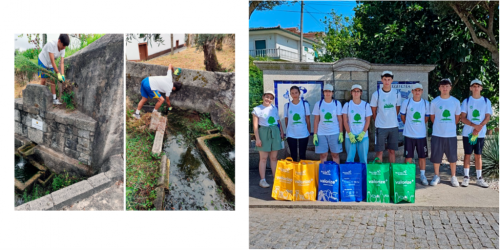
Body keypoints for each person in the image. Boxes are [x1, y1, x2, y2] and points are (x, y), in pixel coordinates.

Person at [429, 78, 461, 186]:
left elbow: (457, 118)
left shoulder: (455, 102)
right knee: (436, 157)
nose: (445, 88)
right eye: (442, 86)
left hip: (451, 134)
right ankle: (436, 176)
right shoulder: (434, 102)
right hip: (437, 134)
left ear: (450, 88)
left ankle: (453, 177)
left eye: (447, 86)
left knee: (452, 157)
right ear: (439, 88)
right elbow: (432, 118)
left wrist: (450, 126)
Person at [460, 79, 492, 188]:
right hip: (468, 133)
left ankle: (479, 178)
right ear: (470, 88)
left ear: (481, 88)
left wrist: (479, 127)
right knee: (467, 155)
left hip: (480, 134)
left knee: (478, 155)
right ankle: (466, 177)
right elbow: (462, 118)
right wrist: (474, 126)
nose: (476, 88)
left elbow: (487, 117)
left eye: (478, 86)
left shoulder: (486, 101)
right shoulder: (466, 101)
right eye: (473, 86)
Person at [400, 83, 430, 185]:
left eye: (419, 90)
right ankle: (408, 175)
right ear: (412, 91)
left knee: (422, 156)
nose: (417, 92)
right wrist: (409, 125)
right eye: (415, 90)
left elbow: (426, 118)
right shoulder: (406, 102)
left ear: (422, 91)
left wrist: (419, 125)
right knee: (408, 157)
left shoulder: (426, 103)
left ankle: (422, 175)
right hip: (409, 135)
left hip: (421, 135)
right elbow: (403, 117)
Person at [253, 90, 284, 188]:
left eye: (271, 98)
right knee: (263, 158)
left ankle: (276, 178)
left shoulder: (274, 108)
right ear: (263, 97)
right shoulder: (257, 109)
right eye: (267, 97)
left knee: (274, 158)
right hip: (264, 132)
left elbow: (278, 120)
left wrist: (281, 131)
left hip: (275, 132)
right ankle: (262, 180)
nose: (268, 99)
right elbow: (255, 126)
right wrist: (257, 139)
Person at [370, 71, 402, 163]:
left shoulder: (396, 93)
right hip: (381, 127)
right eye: (385, 79)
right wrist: (379, 121)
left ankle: (392, 172)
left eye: (389, 79)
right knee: (379, 151)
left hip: (393, 126)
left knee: (392, 151)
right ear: (381, 80)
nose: (387, 81)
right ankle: (379, 174)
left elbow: (397, 109)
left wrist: (391, 118)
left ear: (392, 80)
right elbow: (373, 110)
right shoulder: (376, 94)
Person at [312, 84, 343, 164]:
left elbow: (340, 119)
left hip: (335, 133)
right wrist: (315, 134)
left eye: (329, 91)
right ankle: (323, 173)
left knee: (335, 155)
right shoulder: (318, 104)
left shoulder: (337, 104)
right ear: (323, 92)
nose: (328, 93)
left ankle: (336, 173)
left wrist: (341, 133)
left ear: (332, 93)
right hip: (321, 133)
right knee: (323, 155)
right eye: (326, 91)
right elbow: (316, 120)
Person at [342, 84, 372, 164]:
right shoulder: (347, 105)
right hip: (350, 136)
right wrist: (349, 134)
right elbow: (345, 121)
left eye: (358, 91)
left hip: (363, 136)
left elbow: (368, 120)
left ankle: (363, 175)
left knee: (363, 159)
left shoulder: (366, 105)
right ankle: (349, 175)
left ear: (361, 93)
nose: (356, 93)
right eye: (354, 91)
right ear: (351, 93)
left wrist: (363, 133)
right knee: (349, 158)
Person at [38, 34, 70, 105]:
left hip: (50, 63)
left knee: (52, 79)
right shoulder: (51, 44)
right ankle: (40, 97)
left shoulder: (63, 49)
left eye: (65, 46)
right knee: (43, 80)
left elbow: (62, 62)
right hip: (43, 61)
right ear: (59, 41)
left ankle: (54, 99)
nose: (64, 48)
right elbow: (53, 61)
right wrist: (58, 73)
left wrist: (62, 74)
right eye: (63, 45)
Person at [283, 86, 311, 162]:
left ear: (299, 93)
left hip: (303, 133)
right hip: (291, 134)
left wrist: (308, 132)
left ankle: (302, 172)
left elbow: (308, 119)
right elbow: (286, 120)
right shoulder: (287, 106)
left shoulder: (305, 105)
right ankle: (294, 173)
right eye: (292, 93)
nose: (294, 95)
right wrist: (288, 130)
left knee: (302, 155)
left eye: (296, 93)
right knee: (293, 155)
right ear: (290, 94)